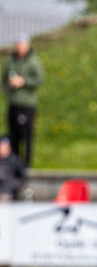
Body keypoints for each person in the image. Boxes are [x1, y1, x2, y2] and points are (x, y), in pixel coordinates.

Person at [2, 34, 45, 168]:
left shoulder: (33, 61)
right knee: (13, 136)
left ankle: (26, 166)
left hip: (27, 105)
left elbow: (40, 79)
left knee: (26, 136)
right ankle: (13, 164)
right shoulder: (10, 61)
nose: (19, 47)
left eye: (22, 45)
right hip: (13, 103)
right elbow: (3, 81)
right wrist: (9, 91)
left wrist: (24, 82)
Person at [0, 135, 25, 201]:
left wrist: (12, 185)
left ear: (9, 148)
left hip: (7, 193)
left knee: (4, 198)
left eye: (5, 147)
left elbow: (22, 176)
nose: (2, 149)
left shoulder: (14, 160)